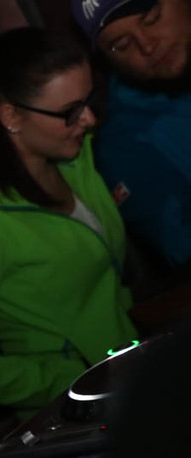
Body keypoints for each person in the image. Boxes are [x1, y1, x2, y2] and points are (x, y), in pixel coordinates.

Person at [0, 27, 138, 414]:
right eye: (69, 111)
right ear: (11, 116)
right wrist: (72, 378)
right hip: (82, 416)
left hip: (131, 381)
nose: (89, 119)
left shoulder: (74, 160)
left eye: (89, 100)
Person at [70, 0, 191, 272]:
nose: (147, 46)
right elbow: (180, 246)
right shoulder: (126, 142)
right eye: (122, 45)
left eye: (151, 18)